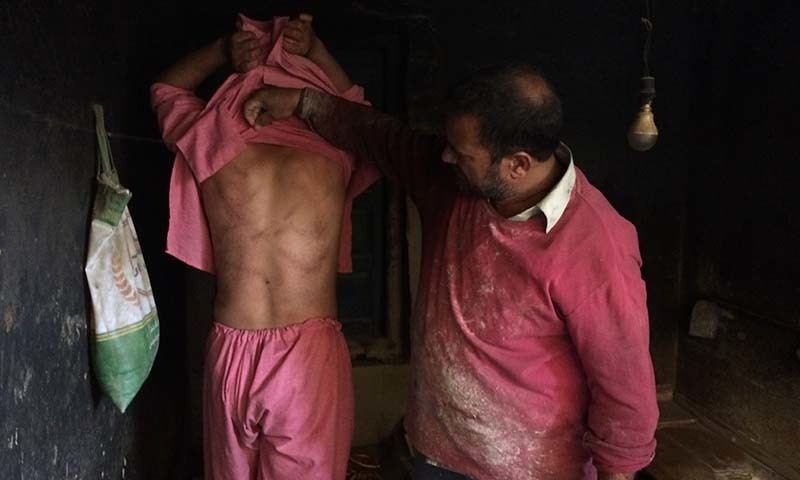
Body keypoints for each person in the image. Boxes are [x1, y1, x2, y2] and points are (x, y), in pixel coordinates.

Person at [241, 64, 659, 480]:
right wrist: (301, 102)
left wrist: (616, 473)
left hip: (533, 467)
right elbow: (379, 135)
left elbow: (625, 390)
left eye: (462, 154)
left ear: (517, 165)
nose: (446, 156)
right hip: (437, 453)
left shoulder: (598, 245)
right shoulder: (451, 182)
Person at [150, 13, 379, 480]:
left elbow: (166, 89)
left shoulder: (211, 141)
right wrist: (315, 53)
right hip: (307, 357)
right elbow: (365, 119)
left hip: (231, 347)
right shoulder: (334, 153)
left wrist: (222, 51)